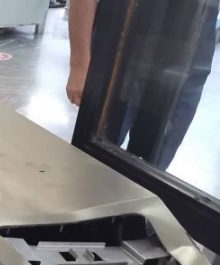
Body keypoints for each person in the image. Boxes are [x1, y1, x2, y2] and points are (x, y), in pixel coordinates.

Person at [66, 0, 219, 170]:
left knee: (149, 170)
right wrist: (79, 63)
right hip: (121, 52)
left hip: (187, 63)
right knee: (91, 161)